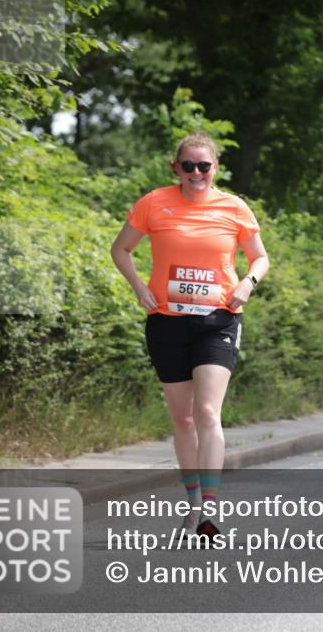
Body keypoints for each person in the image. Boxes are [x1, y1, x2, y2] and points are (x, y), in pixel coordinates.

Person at [111, 132, 269, 538]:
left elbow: (260, 257)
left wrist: (247, 283)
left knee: (207, 413)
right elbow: (120, 250)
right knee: (182, 418)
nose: (196, 173)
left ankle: (211, 511)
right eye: (188, 166)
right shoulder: (154, 203)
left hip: (218, 319)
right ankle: (193, 502)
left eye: (204, 166)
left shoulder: (233, 207)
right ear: (175, 168)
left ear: (215, 168)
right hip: (167, 320)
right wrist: (140, 289)